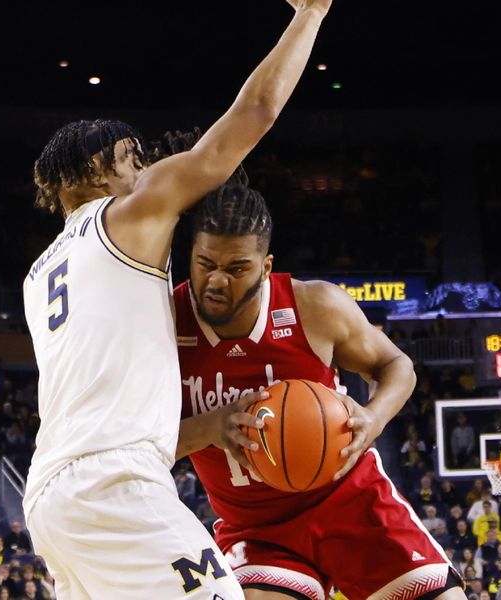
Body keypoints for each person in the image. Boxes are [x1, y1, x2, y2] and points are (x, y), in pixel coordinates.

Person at [20, 2, 333, 598]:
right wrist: (311, 14)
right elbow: (256, 114)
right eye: (133, 160)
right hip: (113, 483)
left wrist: (208, 425)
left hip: (52, 495)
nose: (146, 171)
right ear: (96, 167)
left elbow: (112, 394)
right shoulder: (127, 214)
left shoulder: (39, 274)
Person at [174, 179, 465, 600]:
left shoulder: (314, 307)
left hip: (351, 500)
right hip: (256, 529)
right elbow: (137, 441)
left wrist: (374, 416)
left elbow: (396, 364)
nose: (217, 281)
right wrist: (210, 427)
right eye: (205, 264)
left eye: (236, 269)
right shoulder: (165, 327)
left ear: (266, 267)